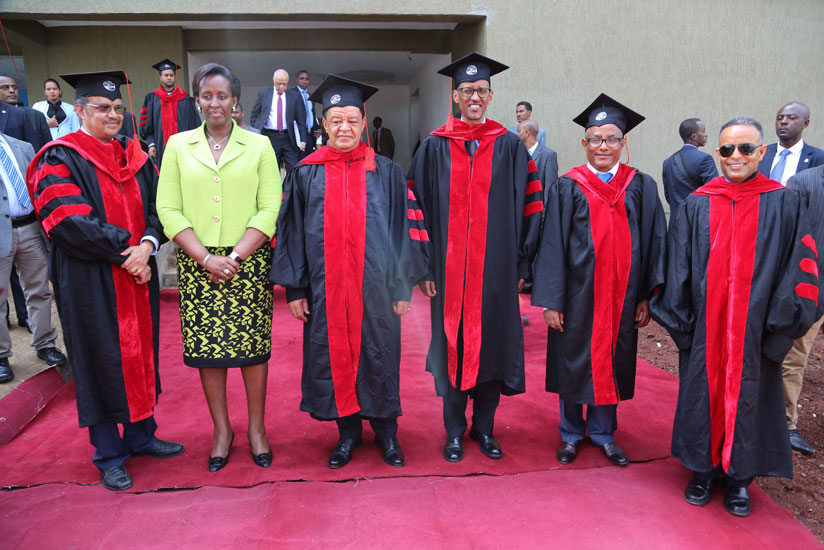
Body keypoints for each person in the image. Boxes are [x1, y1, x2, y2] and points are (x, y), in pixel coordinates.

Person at [650, 117, 818, 517]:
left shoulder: (785, 201)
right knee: (701, 397)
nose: (735, 156)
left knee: (752, 398)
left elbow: (802, 269)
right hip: (706, 330)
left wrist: (779, 329)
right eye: (727, 149)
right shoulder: (698, 203)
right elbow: (677, 269)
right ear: (717, 153)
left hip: (757, 331)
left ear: (761, 152)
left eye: (745, 148)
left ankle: (741, 480)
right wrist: (683, 325)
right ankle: (703, 471)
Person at [26, 70, 183, 491]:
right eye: (102, 108)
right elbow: (68, 223)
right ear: (80, 111)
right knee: (99, 358)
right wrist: (128, 254)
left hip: (137, 273)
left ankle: (140, 435)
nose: (112, 115)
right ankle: (108, 453)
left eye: (117, 108)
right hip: (88, 280)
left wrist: (147, 245)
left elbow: (160, 209)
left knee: (139, 354)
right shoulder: (59, 158)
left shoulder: (135, 157)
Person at [271, 75, 426, 469]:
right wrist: (295, 290)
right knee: (331, 355)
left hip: (375, 288)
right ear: (324, 124)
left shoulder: (388, 171)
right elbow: (289, 233)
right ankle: (348, 434)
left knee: (380, 354)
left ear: (363, 121)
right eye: (336, 120)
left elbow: (402, 230)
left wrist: (401, 287)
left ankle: (387, 433)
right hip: (326, 290)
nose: (344, 127)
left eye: (352, 120)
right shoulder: (306, 172)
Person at [407, 53, 543, 463]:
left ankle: (484, 429)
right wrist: (425, 266)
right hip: (448, 276)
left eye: (481, 91)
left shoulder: (508, 146)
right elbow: (415, 207)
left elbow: (531, 207)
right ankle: (453, 431)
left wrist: (522, 265)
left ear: (491, 94)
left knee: (492, 349)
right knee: (452, 345)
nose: (474, 98)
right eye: (467, 91)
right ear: (455, 95)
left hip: (496, 274)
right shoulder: (433, 147)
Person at [157, 63, 281, 472]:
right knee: (209, 352)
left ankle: (257, 429)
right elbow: (168, 208)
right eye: (206, 96)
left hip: (248, 261)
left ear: (235, 101)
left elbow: (269, 208)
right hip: (198, 262)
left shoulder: (259, 145)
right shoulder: (177, 145)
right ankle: (222, 430)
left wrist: (236, 257)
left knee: (251, 351)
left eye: (222, 96)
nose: (215, 103)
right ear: (197, 101)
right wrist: (206, 258)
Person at [532, 94, 666, 467]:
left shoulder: (640, 185)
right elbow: (553, 244)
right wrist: (552, 300)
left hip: (622, 295)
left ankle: (605, 434)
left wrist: (645, 296)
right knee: (572, 359)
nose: (602, 146)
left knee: (613, 356)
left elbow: (656, 240)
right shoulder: (567, 185)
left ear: (623, 143)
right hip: (577, 296)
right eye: (595, 138)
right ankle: (572, 433)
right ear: (584, 143)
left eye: (610, 139)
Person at [0, 129, 67, 384]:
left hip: (30, 228)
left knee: (39, 290)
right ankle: (1, 356)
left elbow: (38, 184)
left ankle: (45, 344)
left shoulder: (22, 146)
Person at [781, 163, 824, 456]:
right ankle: (787, 426)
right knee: (794, 358)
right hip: (813, 290)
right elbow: (791, 238)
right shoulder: (806, 181)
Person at [139, 59, 201, 168]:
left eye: (171, 75)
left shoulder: (185, 99)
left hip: (184, 147)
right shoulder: (152, 98)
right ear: (160, 77)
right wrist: (151, 144)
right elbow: (147, 125)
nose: (169, 77)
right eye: (166, 75)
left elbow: (194, 125)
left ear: (174, 77)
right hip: (160, 147)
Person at [250, 69, 308, 171]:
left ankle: (290, 187)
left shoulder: (295, 96)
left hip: (289, 137)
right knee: (271, 169)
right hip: (270, 136)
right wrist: (255, 131)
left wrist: (303, 139)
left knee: (293, 169)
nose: (281, 87)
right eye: (278, 84)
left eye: (284, 84)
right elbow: (255, 114)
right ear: (273, 81)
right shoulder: (264, 94)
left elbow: (301, 119)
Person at [758, 102, 824, 184]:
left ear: (805, 123)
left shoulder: (819, 157)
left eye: (792, 118)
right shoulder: (761, 153)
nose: (783, 122)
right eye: (779, 118)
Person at [661, 118, 718, 214]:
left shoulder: (667, 162)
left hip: (675, 224)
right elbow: (715, 193)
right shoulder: (705, 159)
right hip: (697, 223)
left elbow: (668, 196)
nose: (706, 134)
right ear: (694, 136)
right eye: (703, 131)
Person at [0, 74, 52, 152]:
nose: (11, 90)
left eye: (15, 88)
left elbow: (48, 148)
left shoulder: (36, 116)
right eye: (5, 87)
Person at [518, 119, 558, 202]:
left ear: (526, 133)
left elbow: (550, 188)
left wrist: (545, 212)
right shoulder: (517, 154)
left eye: (518, 131)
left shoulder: (548, 155)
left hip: (538, 210)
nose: (516, 135)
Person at [294, 70, 320, 159]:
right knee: (298, 162)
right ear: (297, 80)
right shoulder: (291, 94)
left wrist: (319, 129)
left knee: (309, 161)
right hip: (296, 134)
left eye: (306, 79)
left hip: (309, 134)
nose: (304, 81)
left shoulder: (310, 96)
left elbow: (312, 115)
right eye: (302, 79)